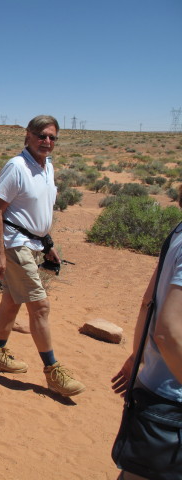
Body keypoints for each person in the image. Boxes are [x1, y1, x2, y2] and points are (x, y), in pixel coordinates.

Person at [0, 115, 85, 397]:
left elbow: (37, 212)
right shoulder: (17, 167)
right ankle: (53, 371)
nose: (47, 142)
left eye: (52, 137)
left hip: (34, 243)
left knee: (11, 302)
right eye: (42, 136)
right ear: (28, 136)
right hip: (16, 245)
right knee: (39, 307)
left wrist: (48, 242)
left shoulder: (47, 166)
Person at [111, 187, 182, 480]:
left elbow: (147, 303)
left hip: (153, 390)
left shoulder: (177, 233)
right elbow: (168, 330)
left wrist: (137, 357)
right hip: (173, 403)